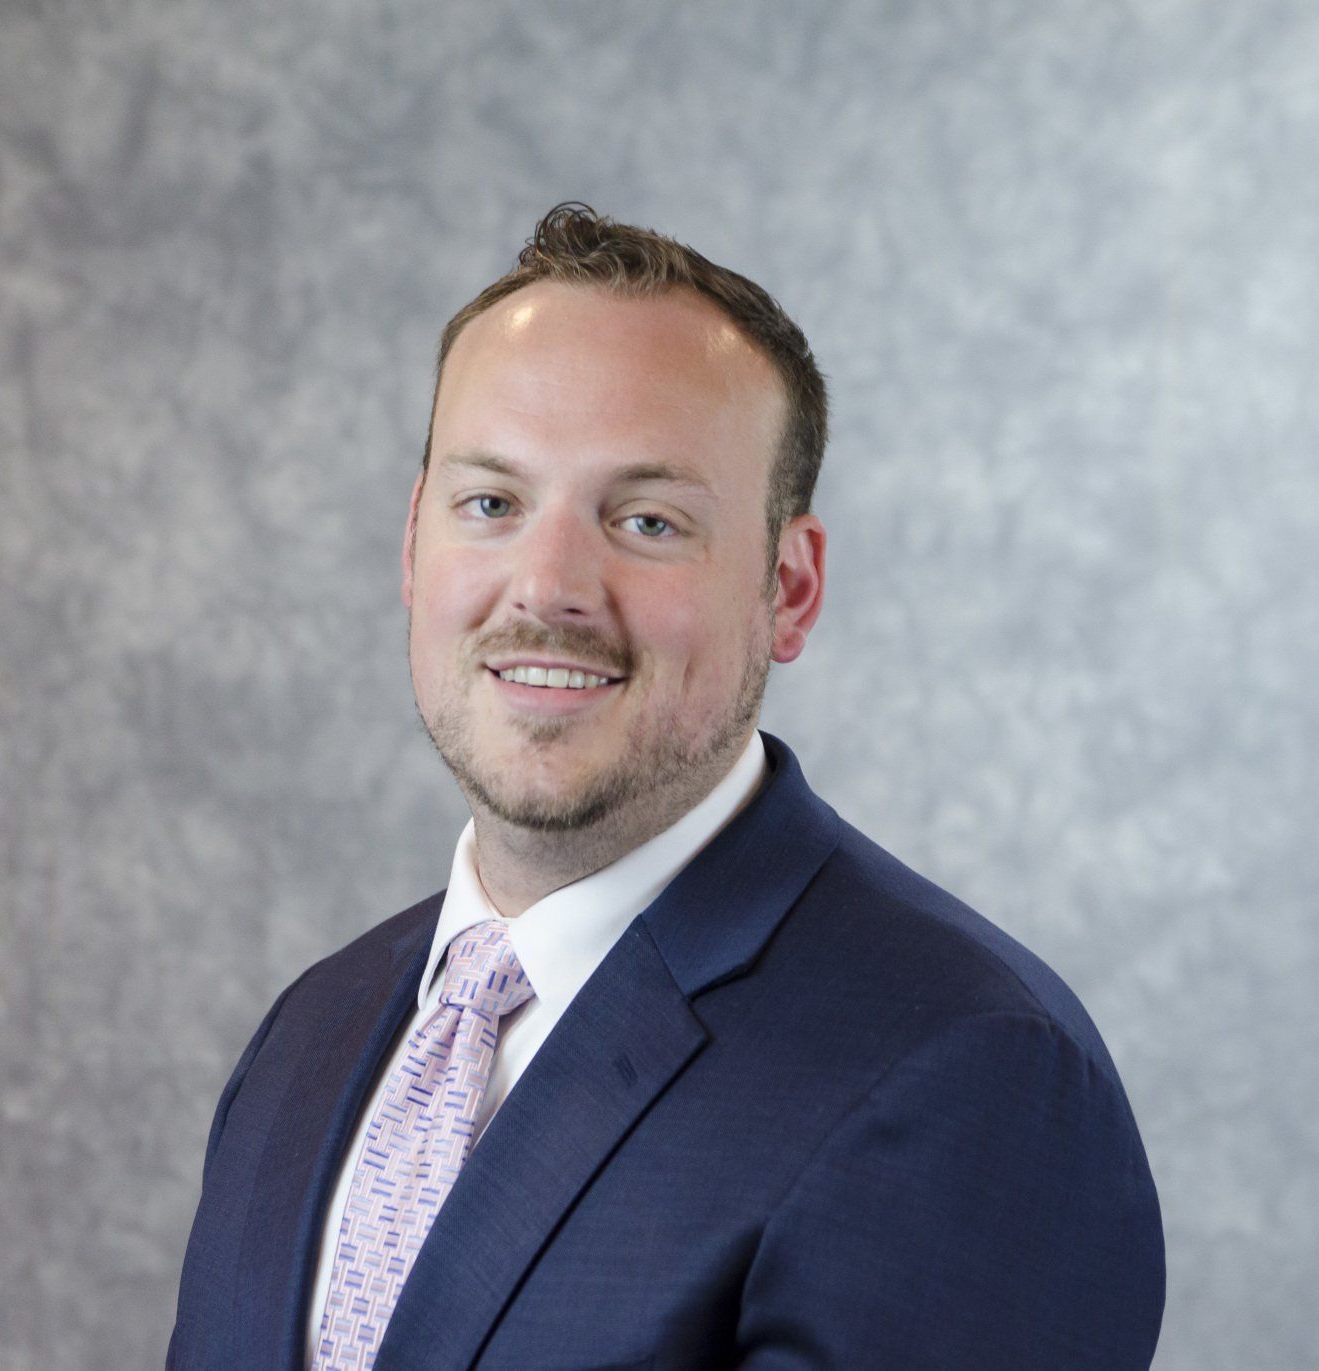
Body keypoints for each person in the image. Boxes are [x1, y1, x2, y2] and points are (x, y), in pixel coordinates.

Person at [167, 204, 1165, 1371]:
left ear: (787, 590)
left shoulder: (970, 1076)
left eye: (645, 520)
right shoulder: (311, 1037)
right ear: (410, 547)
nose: (546, 588)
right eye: (490, 503)